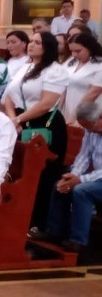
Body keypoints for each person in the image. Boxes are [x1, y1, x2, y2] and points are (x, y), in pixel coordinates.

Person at [3, 30, 68, 229]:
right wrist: (13, 119)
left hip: (46, 123)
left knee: (42, 175)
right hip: (22, 122)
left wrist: (19, 119)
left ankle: (38, 221)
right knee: (20, 170)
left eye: (37, 42)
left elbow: (46, 103)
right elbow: (8, 96)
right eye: (31, 41)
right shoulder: (26, 66)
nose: (31, 45)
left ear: (47, 47)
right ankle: (18, 216)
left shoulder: (55, 70)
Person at [41, 101, 102, 252]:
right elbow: (84, 156)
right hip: (96, 177)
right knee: (61, 184)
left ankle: (78, 241)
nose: (89, 131)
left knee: (82, 191)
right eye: (85, 127)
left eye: (90, 126)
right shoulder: (90, 130)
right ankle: (54, 232)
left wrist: (79, 179)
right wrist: (73, 175)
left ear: (100, 117)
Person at [69, 34, 102, 120]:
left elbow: (94, 92)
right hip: (68, 107)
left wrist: (75, 116)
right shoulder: (71, 63)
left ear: (89, 48)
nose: (74, 55)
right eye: (72, 51)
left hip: (88, 113)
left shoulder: (99, 65)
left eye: (78, 51)